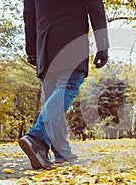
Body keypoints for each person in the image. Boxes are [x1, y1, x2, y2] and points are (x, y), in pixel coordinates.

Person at [19, 0, 109, 169]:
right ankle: (37, 138)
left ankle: (61, 152)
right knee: (67, 87)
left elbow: (29, 16)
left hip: (44, 44)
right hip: (72, 37)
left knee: (55, 96)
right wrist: (102, 45)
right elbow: (96, 8)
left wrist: (31, 50)